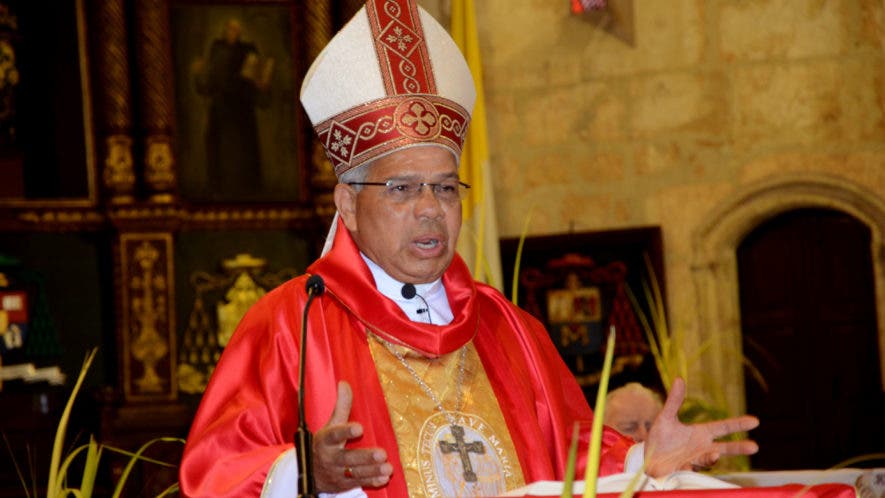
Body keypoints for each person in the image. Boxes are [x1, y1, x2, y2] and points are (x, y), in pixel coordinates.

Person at [178, 1, 760, 497]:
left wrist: (642, 463)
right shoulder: (290, 325)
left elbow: (574, 461)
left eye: (446, 187)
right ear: (349, 205)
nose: (431, 207)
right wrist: (304, 474)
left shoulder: (509, 328)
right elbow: (213, 474)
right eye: (403, 188)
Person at [191, 18, 273, 197]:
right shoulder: (217, 50)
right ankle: (219, 188)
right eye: (229, 29)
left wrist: (261, 83)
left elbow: (254, 82)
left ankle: (249, 188)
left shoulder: (247, 51)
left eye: (235, 30)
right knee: (220, 150)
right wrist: (199, 75)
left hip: (242, 111)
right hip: (221, 111)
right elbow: (209, 84)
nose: (232, 33)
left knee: (243, 151)